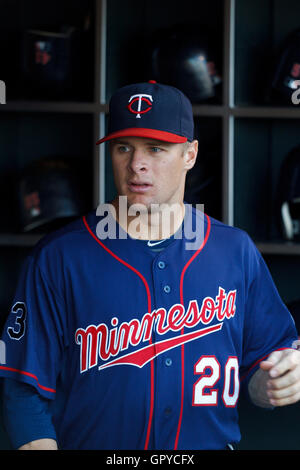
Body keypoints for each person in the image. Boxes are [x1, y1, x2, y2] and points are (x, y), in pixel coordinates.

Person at [0, 80, 300, 451]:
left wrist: (275, 382)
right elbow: (23, 388)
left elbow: (265, 362)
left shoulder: (234, 251)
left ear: (189, 155)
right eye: (124, 147)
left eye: (156, 149)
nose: (136, 165)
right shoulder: (59, 257)